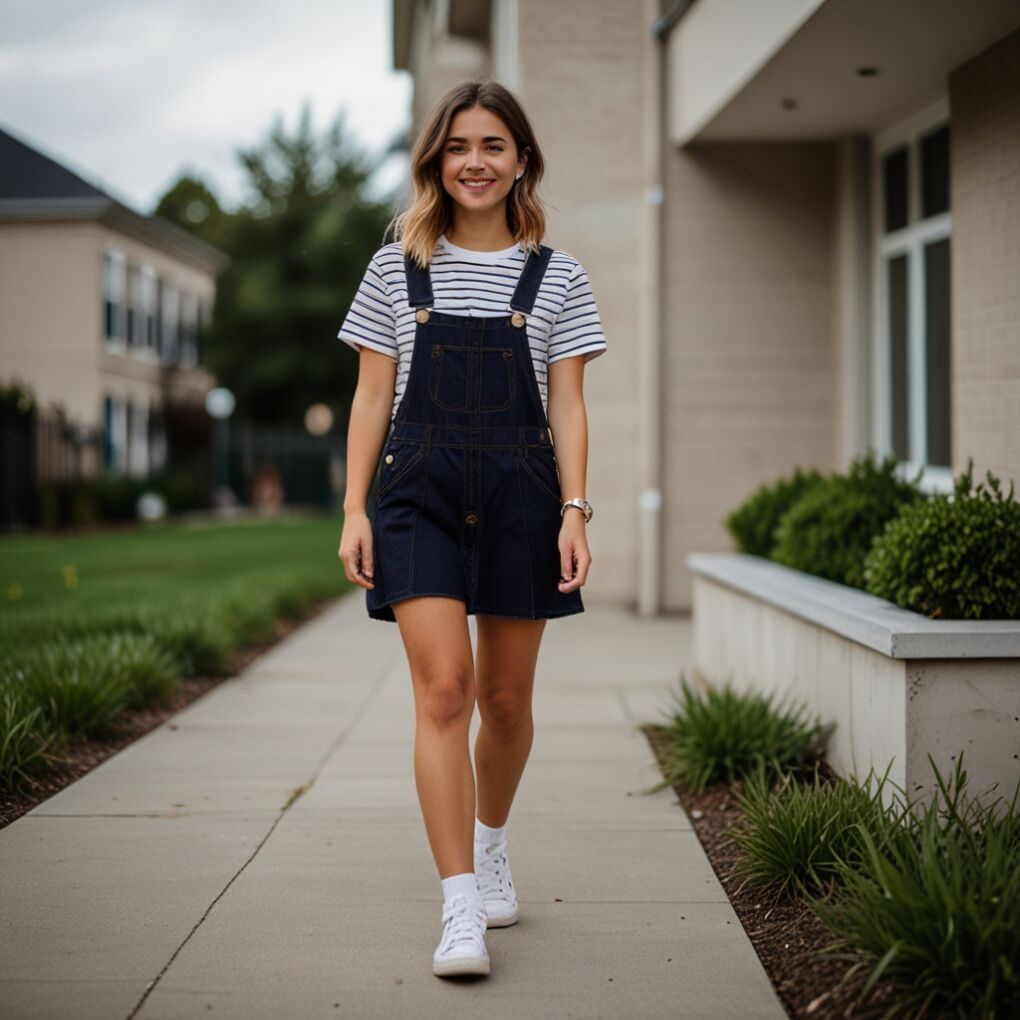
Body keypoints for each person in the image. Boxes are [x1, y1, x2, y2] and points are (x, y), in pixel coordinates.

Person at [336, 78, 607, 979]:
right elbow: (372, 396)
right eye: (458, 147)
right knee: (444, 691)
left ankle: (491, 840)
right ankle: (460, 909)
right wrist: (353, 509)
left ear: (520, 159)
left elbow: (567, 405)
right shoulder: (393, 268)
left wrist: (575, 506)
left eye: (492, 145)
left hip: (527, 492)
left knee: (505, 702)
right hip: (417, 490)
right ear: (434, 161)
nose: (475, 162)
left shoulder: (557, 274)